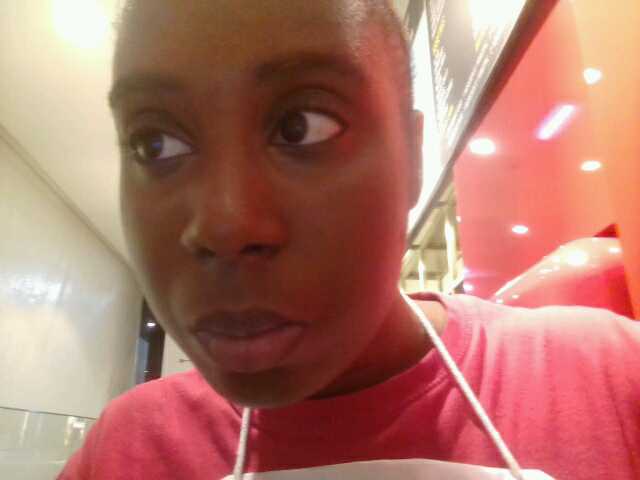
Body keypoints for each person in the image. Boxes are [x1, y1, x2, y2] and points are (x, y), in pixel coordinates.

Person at [58, 1, 640, 479]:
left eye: (301, 128)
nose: (224, 226)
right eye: (155, 144)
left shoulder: (611, 379)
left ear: (412, 158)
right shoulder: (127, 453)